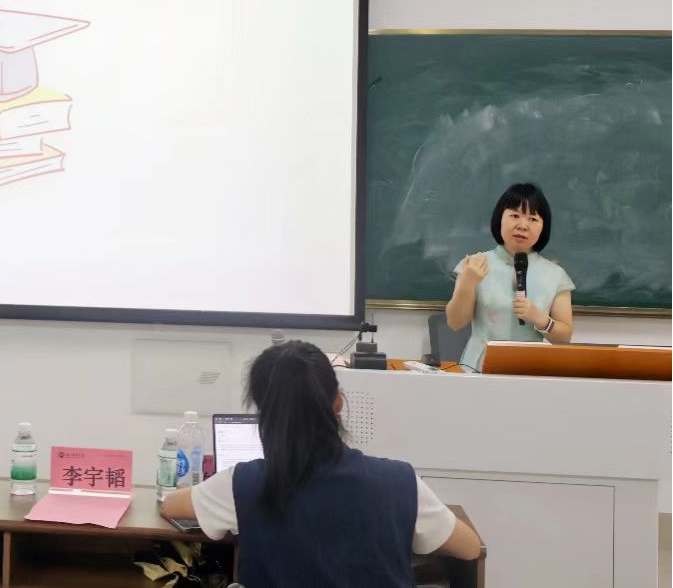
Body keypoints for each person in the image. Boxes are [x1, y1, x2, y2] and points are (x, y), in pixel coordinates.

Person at [160, 341, 481, 587]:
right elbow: (469, 548)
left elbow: (171, 505)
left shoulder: (243, 483)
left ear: (263, 410)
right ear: (338, 401)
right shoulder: (399, 482)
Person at [446, 182, 574, 372]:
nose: (522, 225)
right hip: (479, 368)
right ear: (500, 218)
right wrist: (468, 282)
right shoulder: (475, 264)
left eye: (533, 219)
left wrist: (540, 318)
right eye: (514, 216)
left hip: (530, 370)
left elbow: (564, 338)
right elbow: (455, 323)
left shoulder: (555, 275)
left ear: (543, 227)